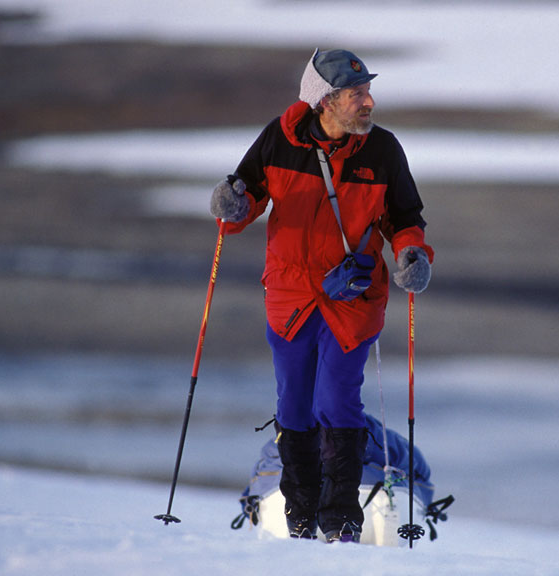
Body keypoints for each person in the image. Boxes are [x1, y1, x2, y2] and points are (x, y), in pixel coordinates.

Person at [210, 48, 433, 543]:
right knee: (293, 407)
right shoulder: (278, 139)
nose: (368, 102)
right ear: (325, 101)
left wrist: (412, 255)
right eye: (357, 94)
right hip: (291, 297)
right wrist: (229, 204)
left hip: (352, 299)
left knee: (336, 403)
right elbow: (242, 203)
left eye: (367, 92)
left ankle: (340, 520)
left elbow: (404, 220)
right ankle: (299, 516)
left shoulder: (383, 150)